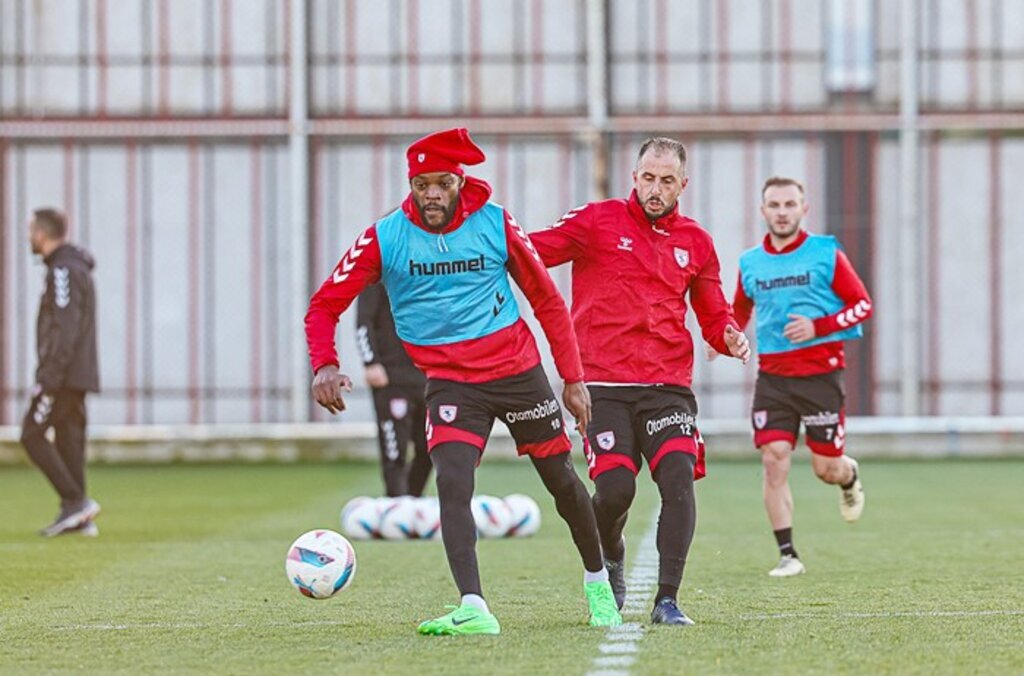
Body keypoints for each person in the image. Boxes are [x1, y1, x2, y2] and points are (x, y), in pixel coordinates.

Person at [305, 128, 621, 635]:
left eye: (443, 184)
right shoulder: (385, 237)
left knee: (562, 481)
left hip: (517, 372)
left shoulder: (495, 224)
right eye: (422, 184)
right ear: (411, 185)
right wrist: (324, 363)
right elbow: (325, 304)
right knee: (451, 483)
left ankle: (598, 584)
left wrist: (572, 378)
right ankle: (473, 606)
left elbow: (547, 300)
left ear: (460, 183)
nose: (432, 194)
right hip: (451, 383)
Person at [529, 137, 751, 626]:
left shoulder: (696, 242)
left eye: (666, 181)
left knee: (678, 478)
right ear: (634, 177)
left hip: (667, 386)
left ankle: (667, 600)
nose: (656, 188)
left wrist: (730, 335)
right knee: (615, 492)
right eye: (648, 178)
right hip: (602, 387)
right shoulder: (596, 221)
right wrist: (484, 241)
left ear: (682, 185)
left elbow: (714, 314)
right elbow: (530, 252)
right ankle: (611, 551)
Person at [722, 176, 871, 578]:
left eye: (790, 204)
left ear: (804, 209)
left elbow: (862, 305)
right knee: (774, 460)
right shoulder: (751, 262)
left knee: (826, 469)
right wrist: (725, 335)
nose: (782, 212)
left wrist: (818, 327)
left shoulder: (825, 253)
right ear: (763, 211)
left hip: (821, 376)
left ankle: (848, 476)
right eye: (774, 205)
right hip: (773, 379)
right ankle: (788, 555)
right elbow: (739, 309)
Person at [20, 208, 101, 537]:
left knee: (32, 434)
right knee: (69, 439)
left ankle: (75, 501)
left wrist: (50, 376)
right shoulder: (70, 267)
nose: (29, 237)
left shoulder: (63, 271)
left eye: (31, 231)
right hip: (75, 375)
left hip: (63, 376)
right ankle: (79, 517)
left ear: (42, 234)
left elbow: (66, 328)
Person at [355, 282, 431, 497]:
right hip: (391, 380)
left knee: (430, 449)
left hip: (428, 378)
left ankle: (412, 500)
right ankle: (396, 502)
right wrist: (370, 362)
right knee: (394, 451)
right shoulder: (378, 276)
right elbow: (363, 321)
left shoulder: (432, 273)